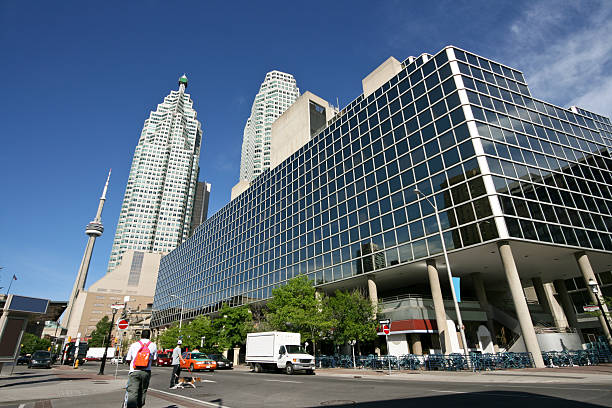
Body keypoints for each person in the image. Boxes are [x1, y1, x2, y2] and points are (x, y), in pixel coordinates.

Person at [125, 330, 157, 408]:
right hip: (146, 371)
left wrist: (131, 365)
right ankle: (140, 406)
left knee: (133, 391)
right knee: (143, 391)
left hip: (134, 371)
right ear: (149, 336)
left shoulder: (134, 345)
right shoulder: (153, 345)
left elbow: (128, 359)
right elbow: (155, 359)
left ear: (141, 336)